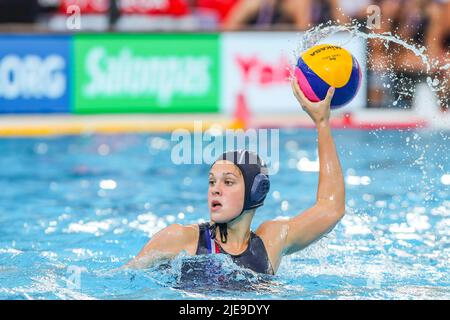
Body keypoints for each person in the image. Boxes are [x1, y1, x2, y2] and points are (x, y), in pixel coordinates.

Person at [125, 80, 346, 275]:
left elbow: (331, 208)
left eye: (228, 182)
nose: (215, 189)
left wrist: (322, 123)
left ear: (255, 191)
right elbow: (123, 278)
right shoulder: (182, 239)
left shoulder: (271, 242)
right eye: (212, 181)